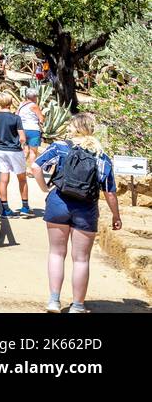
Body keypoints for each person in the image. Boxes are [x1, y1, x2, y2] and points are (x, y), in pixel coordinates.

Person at [30, 113, 122, 313]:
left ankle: (54, 301)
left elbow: (35, 166)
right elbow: (110, 192)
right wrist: (116, 216)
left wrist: (45, 189)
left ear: (74, 128)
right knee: (81, 259)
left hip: (58, 203)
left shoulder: (60, 147)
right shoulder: (101, 157)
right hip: (86, 209)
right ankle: (77, 305)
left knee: (56, 253)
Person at [0, 91, 30, 218]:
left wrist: (2, 142)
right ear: (11, 103)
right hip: (15, 151)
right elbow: (22, 138)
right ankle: (25, 207)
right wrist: (24, 146)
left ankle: (5, 209)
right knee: (22, 179)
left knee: (3, 180)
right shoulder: (15, 118)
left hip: (2, 150)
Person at [17, 88, 45, 168]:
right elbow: (41, 119)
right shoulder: (34, 106)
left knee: (25, 149)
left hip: (22, 130)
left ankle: (20, 168)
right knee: (33, 151)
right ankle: (31, 170)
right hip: (33, 130)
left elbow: (17, 115)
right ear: (34, 97)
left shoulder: (21, 104)